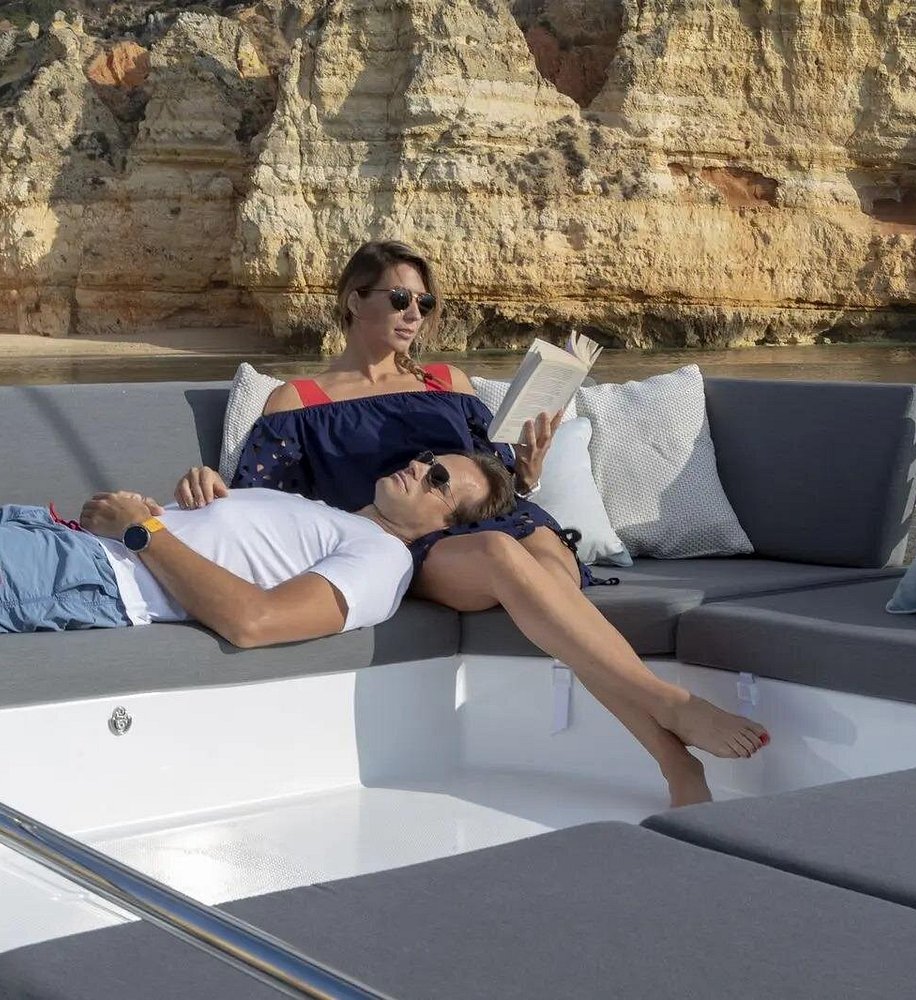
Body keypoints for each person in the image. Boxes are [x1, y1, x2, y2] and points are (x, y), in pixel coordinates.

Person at [176, 240, 768, 806]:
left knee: (554, 586)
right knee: (498, 556)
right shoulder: (299, 400)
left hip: (502, 517)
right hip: (410, 539)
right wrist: (206, 483)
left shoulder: (448, 383)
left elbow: (493, 480)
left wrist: (527, 473)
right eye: (399, 299)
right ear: (355, 299)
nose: (415, 314)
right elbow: (261, 504)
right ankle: (669, 709)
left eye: (425, 302)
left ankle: (677, 762)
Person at [1, 451, 514, 646]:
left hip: (87, 577)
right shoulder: (326, 513)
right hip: (59, 538)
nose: (421, 468)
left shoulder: (385, 559)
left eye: (438, 480)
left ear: (444, 527)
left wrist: (142, 531)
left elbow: (256, 621)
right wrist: (142, 512)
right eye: (429, 459)